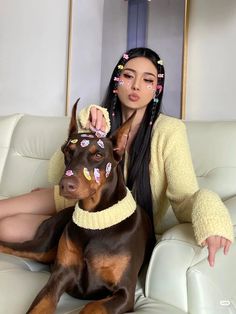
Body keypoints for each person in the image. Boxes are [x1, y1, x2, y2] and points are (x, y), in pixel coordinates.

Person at [0, 47, 233, 268]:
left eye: (148, 80)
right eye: (128, 76)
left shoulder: (169, 130)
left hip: (118, 221)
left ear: (157, 90)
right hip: (72, 198)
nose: (136, 86)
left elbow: (185, 198)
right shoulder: (99, 120)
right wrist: (86, 131)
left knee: (9, 229)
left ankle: (62, 241)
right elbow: (54, 174)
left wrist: (210, 213)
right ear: (116, 82)